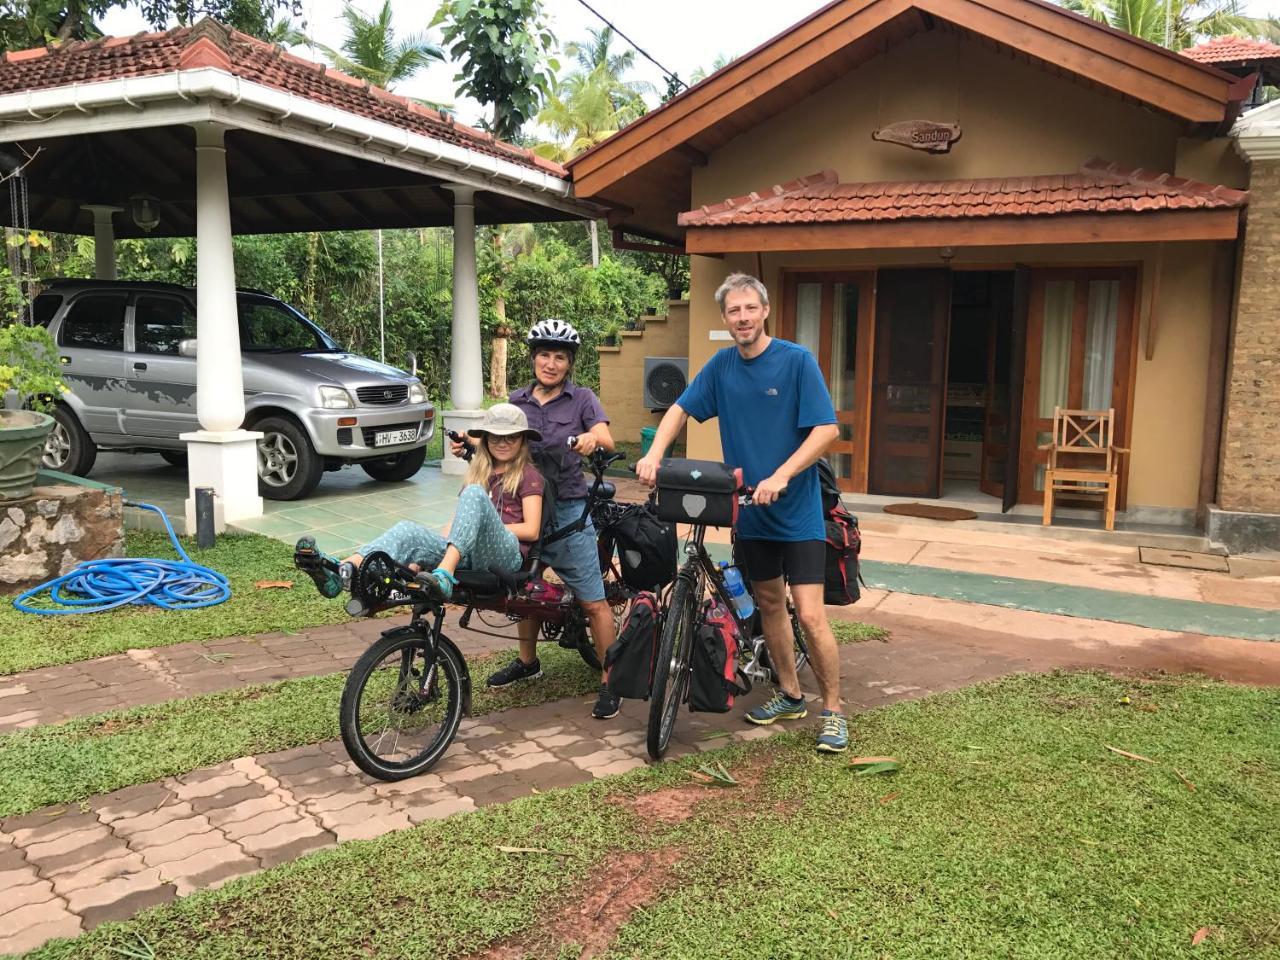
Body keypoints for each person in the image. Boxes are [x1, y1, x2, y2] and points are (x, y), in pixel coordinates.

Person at [636, 273, 848, 753]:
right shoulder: (722, 366)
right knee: (770, 606)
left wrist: (782, 475)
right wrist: (655, 454)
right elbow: (679, 409)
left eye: (750, 308)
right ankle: (791, 694)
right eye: (734, 311)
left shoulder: (796, 362)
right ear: (726, 318)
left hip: (797, 515)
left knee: (811, 615)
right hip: (750, 512)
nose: (743, 318)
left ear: (765, 310)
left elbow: (826, 431)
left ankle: (833, 709)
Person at [453, 318, 621, 720]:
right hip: (519, 505)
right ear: (533, 359)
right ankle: (528, 663)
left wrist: (591, 440)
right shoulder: (516, 401)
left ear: (569, 364)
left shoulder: (582, 399)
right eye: (544, 355)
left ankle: (611, 682)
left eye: (559, 357)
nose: (550, 363)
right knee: (523, 591)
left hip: (566, 511)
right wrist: (470, 445)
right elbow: (500, 442)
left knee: (594, 601)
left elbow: (607, 439)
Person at [297, 403, 543, 605]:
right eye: (496, 436)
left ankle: (444, 574)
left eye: (511, 437)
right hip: (471, 554)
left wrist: (480, 530)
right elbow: (461, 522)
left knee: (475, 493)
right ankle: (341, 572)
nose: (503, 442)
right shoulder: (479, 473)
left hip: (507, 557)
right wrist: (438, 544)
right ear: (486, 439)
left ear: (522, 441)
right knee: (407, 530)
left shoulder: (528, 475)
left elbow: (532, 529)